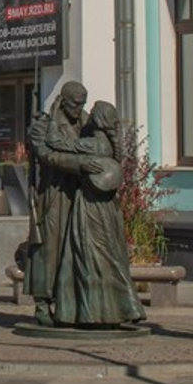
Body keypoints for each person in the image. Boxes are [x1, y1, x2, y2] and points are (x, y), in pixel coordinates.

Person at [35, 99, 145, 329]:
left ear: (97, 119)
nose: (84, 113)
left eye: (89, 110)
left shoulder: (92, 144)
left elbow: (54, 143)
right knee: (110, 258)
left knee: (85, 258)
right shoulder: (108, 143)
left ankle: (86, 312)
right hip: (108, 209)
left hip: (89, 207)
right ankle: (121, 308)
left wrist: (54, 113)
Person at [24, 80, 87, 326]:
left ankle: (72, 304)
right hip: (54, 195)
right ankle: (42, 303)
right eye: (75, 104)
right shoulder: (43, 126)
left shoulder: (86, 121)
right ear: (63, 100)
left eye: (82, 104)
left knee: (78, 249)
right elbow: (47, 155)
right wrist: (81, 162)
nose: (79, 109)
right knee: (49, 250)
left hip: (81, 194)